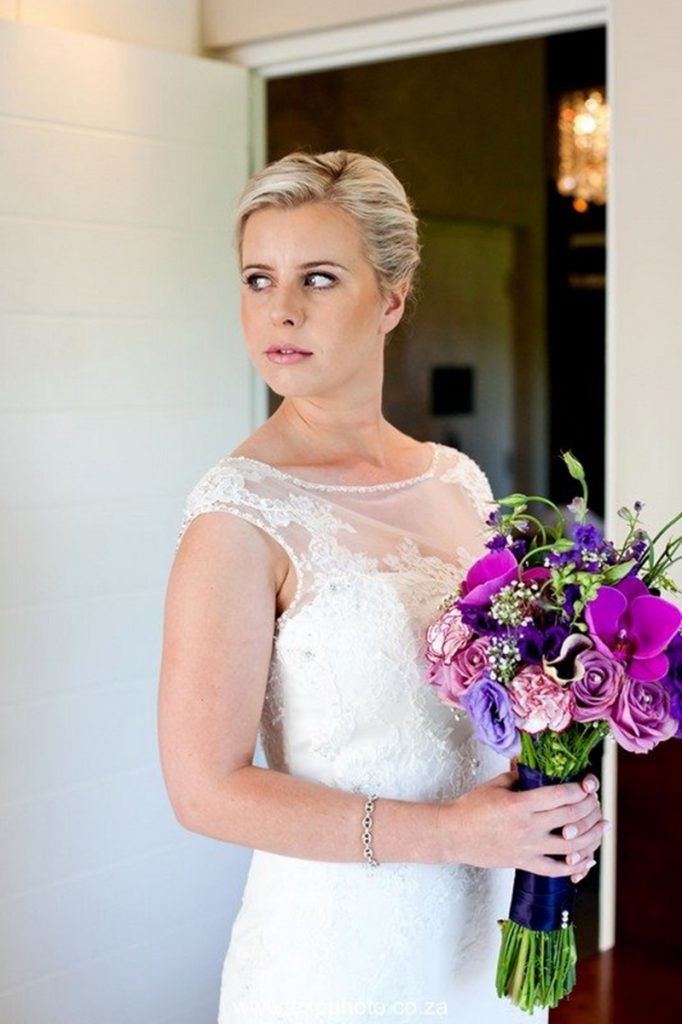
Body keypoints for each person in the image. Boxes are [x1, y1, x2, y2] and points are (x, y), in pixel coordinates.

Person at [157, 150, 607, 1023]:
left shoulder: (458, 482)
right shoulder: (238, 515)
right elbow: (203, 790)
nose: (281, 310)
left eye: (319, 278)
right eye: (258, 278)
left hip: (484, 944)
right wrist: (450, 834)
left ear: (392, 299)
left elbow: (493, 706)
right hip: (340, 963)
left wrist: (543, 810)